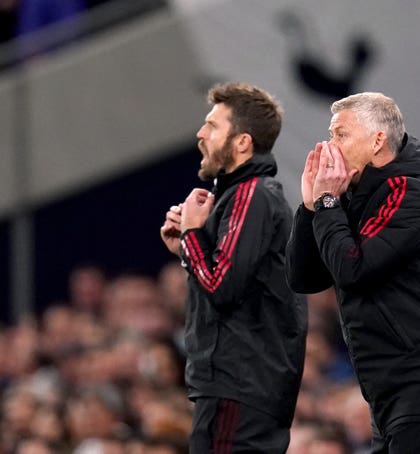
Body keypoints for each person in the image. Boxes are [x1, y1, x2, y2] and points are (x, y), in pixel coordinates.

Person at [286, 92, 420, 453]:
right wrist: (311, 207)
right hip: (389, 393)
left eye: (341, 135)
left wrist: (329, 202)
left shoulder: (410, 190)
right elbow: (305, 278)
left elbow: (352, 270)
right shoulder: (354, 196)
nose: (331, 146)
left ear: (378, 140)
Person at [160, 82, 307, 452]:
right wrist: (188, 248)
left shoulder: (250, 194)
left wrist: (193, 233)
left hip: (239, 385)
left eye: (212, 125)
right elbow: (233, 282)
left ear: (242, 142)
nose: (200, 134)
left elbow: (223, 288)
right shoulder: (242, 195)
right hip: (243, 386)